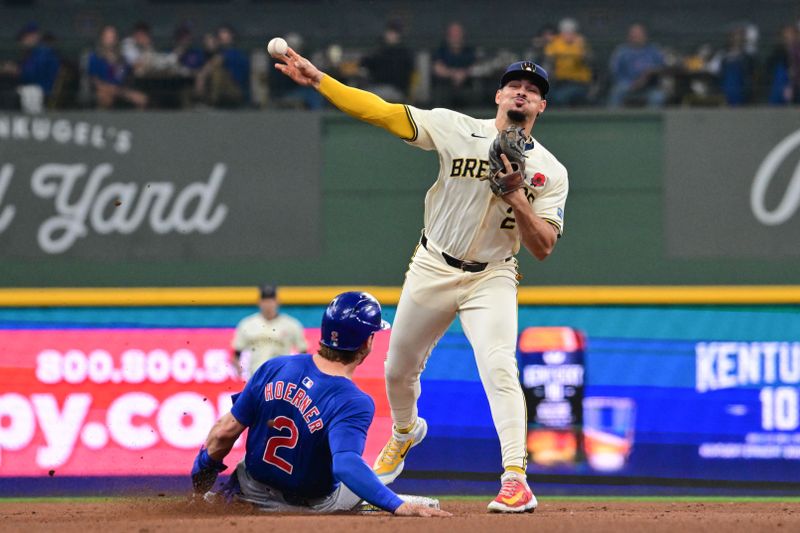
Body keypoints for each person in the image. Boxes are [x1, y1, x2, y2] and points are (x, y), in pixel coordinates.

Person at [275, 45, 568, 513]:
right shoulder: (457, 128)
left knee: (499, 367)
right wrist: (321, 80)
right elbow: (383, 112)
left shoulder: (550, 171)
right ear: (498, 95)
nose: (522, 92)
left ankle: (515, 477)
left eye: (532, 91)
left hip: (492, 276)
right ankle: (407, 432)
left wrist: (517, 198)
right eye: (515, 85)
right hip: (433, 264)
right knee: (397, 369)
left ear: (541, 107)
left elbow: (544, 247)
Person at [192, 291, 450, 517]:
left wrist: (201, 481)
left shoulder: (274, 366)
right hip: (310, 506)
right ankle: (380, 501)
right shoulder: (354, 401)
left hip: (251, 492)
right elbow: (346, 465)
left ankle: (226, 495)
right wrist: (397, 507)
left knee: (245, 472)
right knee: (362, 477)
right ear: (367, 342)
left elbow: (224, 432)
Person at [232, 284, 308, 379]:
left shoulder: (291, 325)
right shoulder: (247, 324)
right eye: (265, 300)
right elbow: (236, 354)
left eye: (271, 300)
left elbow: (304, 353)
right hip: (255, 377)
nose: (268, 304)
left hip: (281, 379)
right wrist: (238, 367)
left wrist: (299, 371)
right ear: (259, 302)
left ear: (277, 301)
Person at [87, 25, 148, 109]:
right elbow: (94, 80)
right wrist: (108, 88)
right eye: (107, 37)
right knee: (105, 96)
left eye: (112, 37)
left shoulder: (121, 58)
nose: (110, 40)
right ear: (102, 38)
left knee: (142, 99)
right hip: (103, 89)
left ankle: (134, 121)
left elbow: (126, 73)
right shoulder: (95, 56)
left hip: (120, 90)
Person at [608, 23, 666, 108]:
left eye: (639, 35)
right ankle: (612, 120)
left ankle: (648, 121)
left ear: (645, 36)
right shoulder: (621, 52)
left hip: (649, 87)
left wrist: (648, 74)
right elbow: (614, 71)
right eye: (634, 35)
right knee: (616, 92)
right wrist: (632, 84)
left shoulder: (654, 50)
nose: (636, 37)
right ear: (629, 37)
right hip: (627, 85)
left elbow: (663, 67)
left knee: (658, 96)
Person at [360, 19, 414, 102]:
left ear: (399, 35)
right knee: (360, 92)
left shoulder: (403, 52)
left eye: (393, 33)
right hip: (379, 87)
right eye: (389, 32)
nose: (390, 35)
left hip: (396, 90)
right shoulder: (382, 48)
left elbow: (398, 76)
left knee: (364, 96)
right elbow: (367, 62)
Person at [543, 18, 592, 106]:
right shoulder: (556, 43)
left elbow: (589, 61)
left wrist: (583, 50)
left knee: (560, 97)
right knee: (545, 94)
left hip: (578, 83)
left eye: (571, 32)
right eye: (565, 32)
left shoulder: (580, 43)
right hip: (559, 82)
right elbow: (548, 61)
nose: (568, 34)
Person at [431, 21, 477, 107]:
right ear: (448, 36)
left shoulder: (469, 51)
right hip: (445, 88)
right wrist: (454, 74)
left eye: (458, 34)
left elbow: (476, 67)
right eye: (453, 34)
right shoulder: (441, 50)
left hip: (466, 87)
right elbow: (438, 68)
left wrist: (464, 73)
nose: (456, 37)